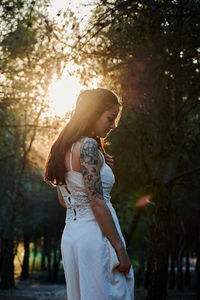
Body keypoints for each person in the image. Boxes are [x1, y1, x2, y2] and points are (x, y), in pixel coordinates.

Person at [44, 88, 134, 300]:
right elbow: (96, 202)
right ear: (93, 113)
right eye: (110, 119)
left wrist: (103, 167)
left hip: (72, 237)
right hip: (96, 236)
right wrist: (120, 249)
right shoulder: (88, 147)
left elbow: (65, 202)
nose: (114, 125)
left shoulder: (61, 148)